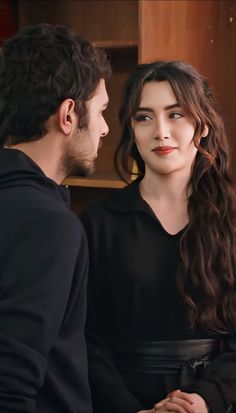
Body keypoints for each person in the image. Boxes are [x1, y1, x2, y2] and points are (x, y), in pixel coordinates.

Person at [80, 61, 236, 413]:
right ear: (131, 129)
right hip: (122, 400)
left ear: (204, 123)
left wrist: (206, 398)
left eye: (176, 114)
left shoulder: (231, 219)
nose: (161, 132)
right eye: (144, 117)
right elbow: (85, 336)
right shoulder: (97, 223)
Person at [0, 23, 110, 412]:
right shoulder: (50, 226)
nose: (105, 129)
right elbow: (10, 386)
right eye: (100, 112)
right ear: (68, 115)